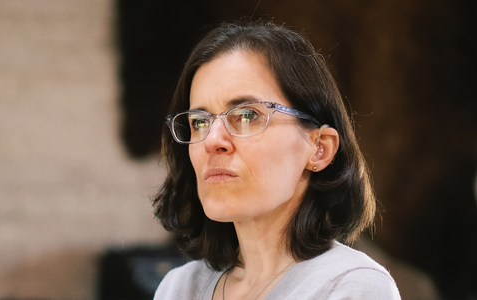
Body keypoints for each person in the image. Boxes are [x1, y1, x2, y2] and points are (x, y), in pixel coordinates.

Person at [152, 21, 400, 299]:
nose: (212, 141)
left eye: (247, 115)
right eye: (199, 121)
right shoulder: (179, 289)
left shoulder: (352, 288)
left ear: (320, 148)